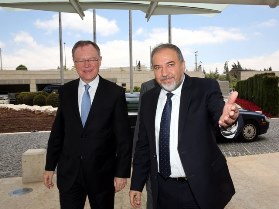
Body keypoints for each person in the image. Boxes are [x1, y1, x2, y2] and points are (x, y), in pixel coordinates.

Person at [129, 43, 243, 209]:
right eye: (157, 67)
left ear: (183, 65)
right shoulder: (148, 99)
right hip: (163, 190)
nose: (164, 73)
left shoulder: (205, 88)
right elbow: (143, 146)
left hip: (199, 189)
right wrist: (136, 184)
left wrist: (229, 121)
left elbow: (219, 111)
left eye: (170, 65)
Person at [43, 40, 132, 209]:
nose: (87, 65)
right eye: (81, 60)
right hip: (69, 175)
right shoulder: (65, 92)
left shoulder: (115, 93)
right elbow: (58, 132)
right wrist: (49, 166)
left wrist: (121, 173)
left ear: (100, 60)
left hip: (102, 176)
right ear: (74, 63)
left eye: (91, 59)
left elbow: (124, 139)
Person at [133, 79, 158, 209]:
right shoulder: (148, 87)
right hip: (154, 166)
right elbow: (140, 126)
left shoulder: (199, 87)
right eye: (157, 66)